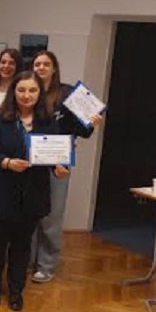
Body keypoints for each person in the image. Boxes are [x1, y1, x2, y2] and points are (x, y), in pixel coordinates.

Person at [0, 71, 67, 311]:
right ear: (13, 92)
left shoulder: (49, 122)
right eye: (21, 90)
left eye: (32, 90)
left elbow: (56, 157)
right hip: (1, 193)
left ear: (40, 93)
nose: (26, 95)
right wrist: (6, 162)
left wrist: (59, 168)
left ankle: (16, 291)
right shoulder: (0, 119)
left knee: (22, 247)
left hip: (32, 195)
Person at [29, 50, 102, 284]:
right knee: (30, 213)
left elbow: (81, 131)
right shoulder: (29, 91)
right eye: (37, 64)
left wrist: (91, 123)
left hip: (59, 164)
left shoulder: (68, 93)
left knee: (52, 215)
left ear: (54, 68)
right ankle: (29, 260)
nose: (41, 68)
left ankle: (47, 264)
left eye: (45, 64)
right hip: (31, 162)